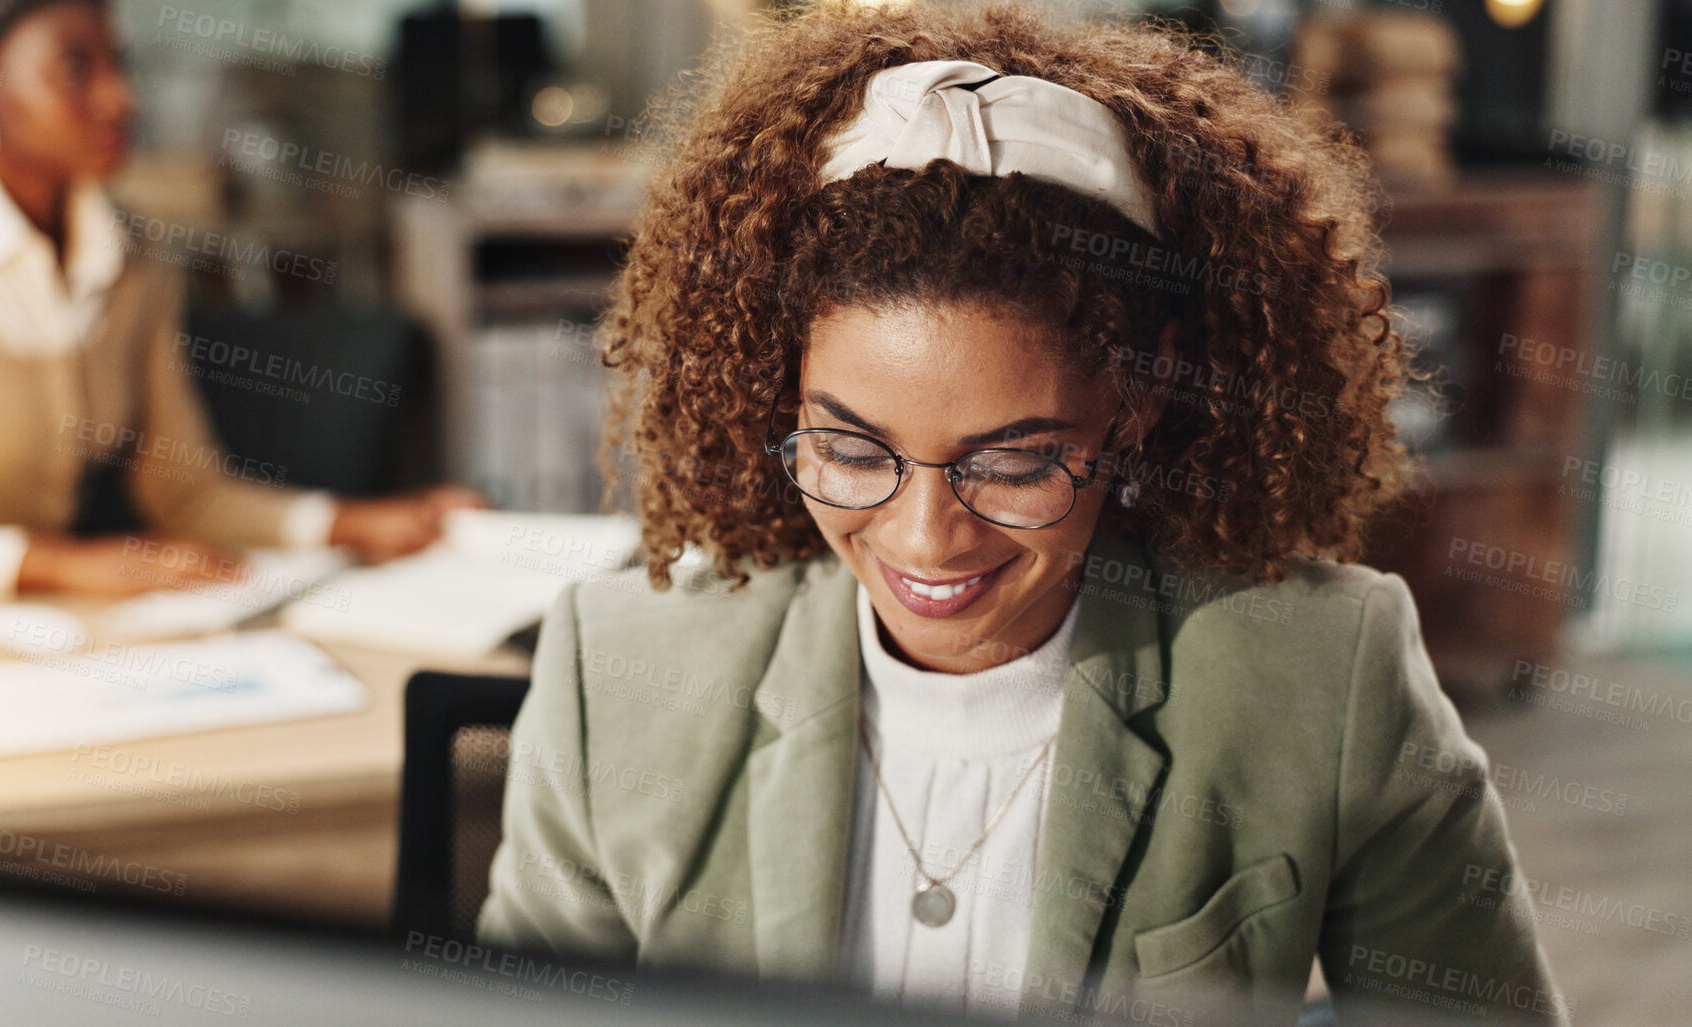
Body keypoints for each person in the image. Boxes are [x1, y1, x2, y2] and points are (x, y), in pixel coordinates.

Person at [477, 3, 1568, 1025]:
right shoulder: (613, 675)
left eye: (1013, 463)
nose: (924, 539)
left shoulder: (1323, 676)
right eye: (851, 450)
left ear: (1139, 395)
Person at [0, 0, 482, 598]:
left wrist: (363, 522)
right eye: (76, 67)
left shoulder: (130, 253)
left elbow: (187, 495)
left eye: (118, 64)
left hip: (62, 641)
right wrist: (59, 563)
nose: (119, 96)